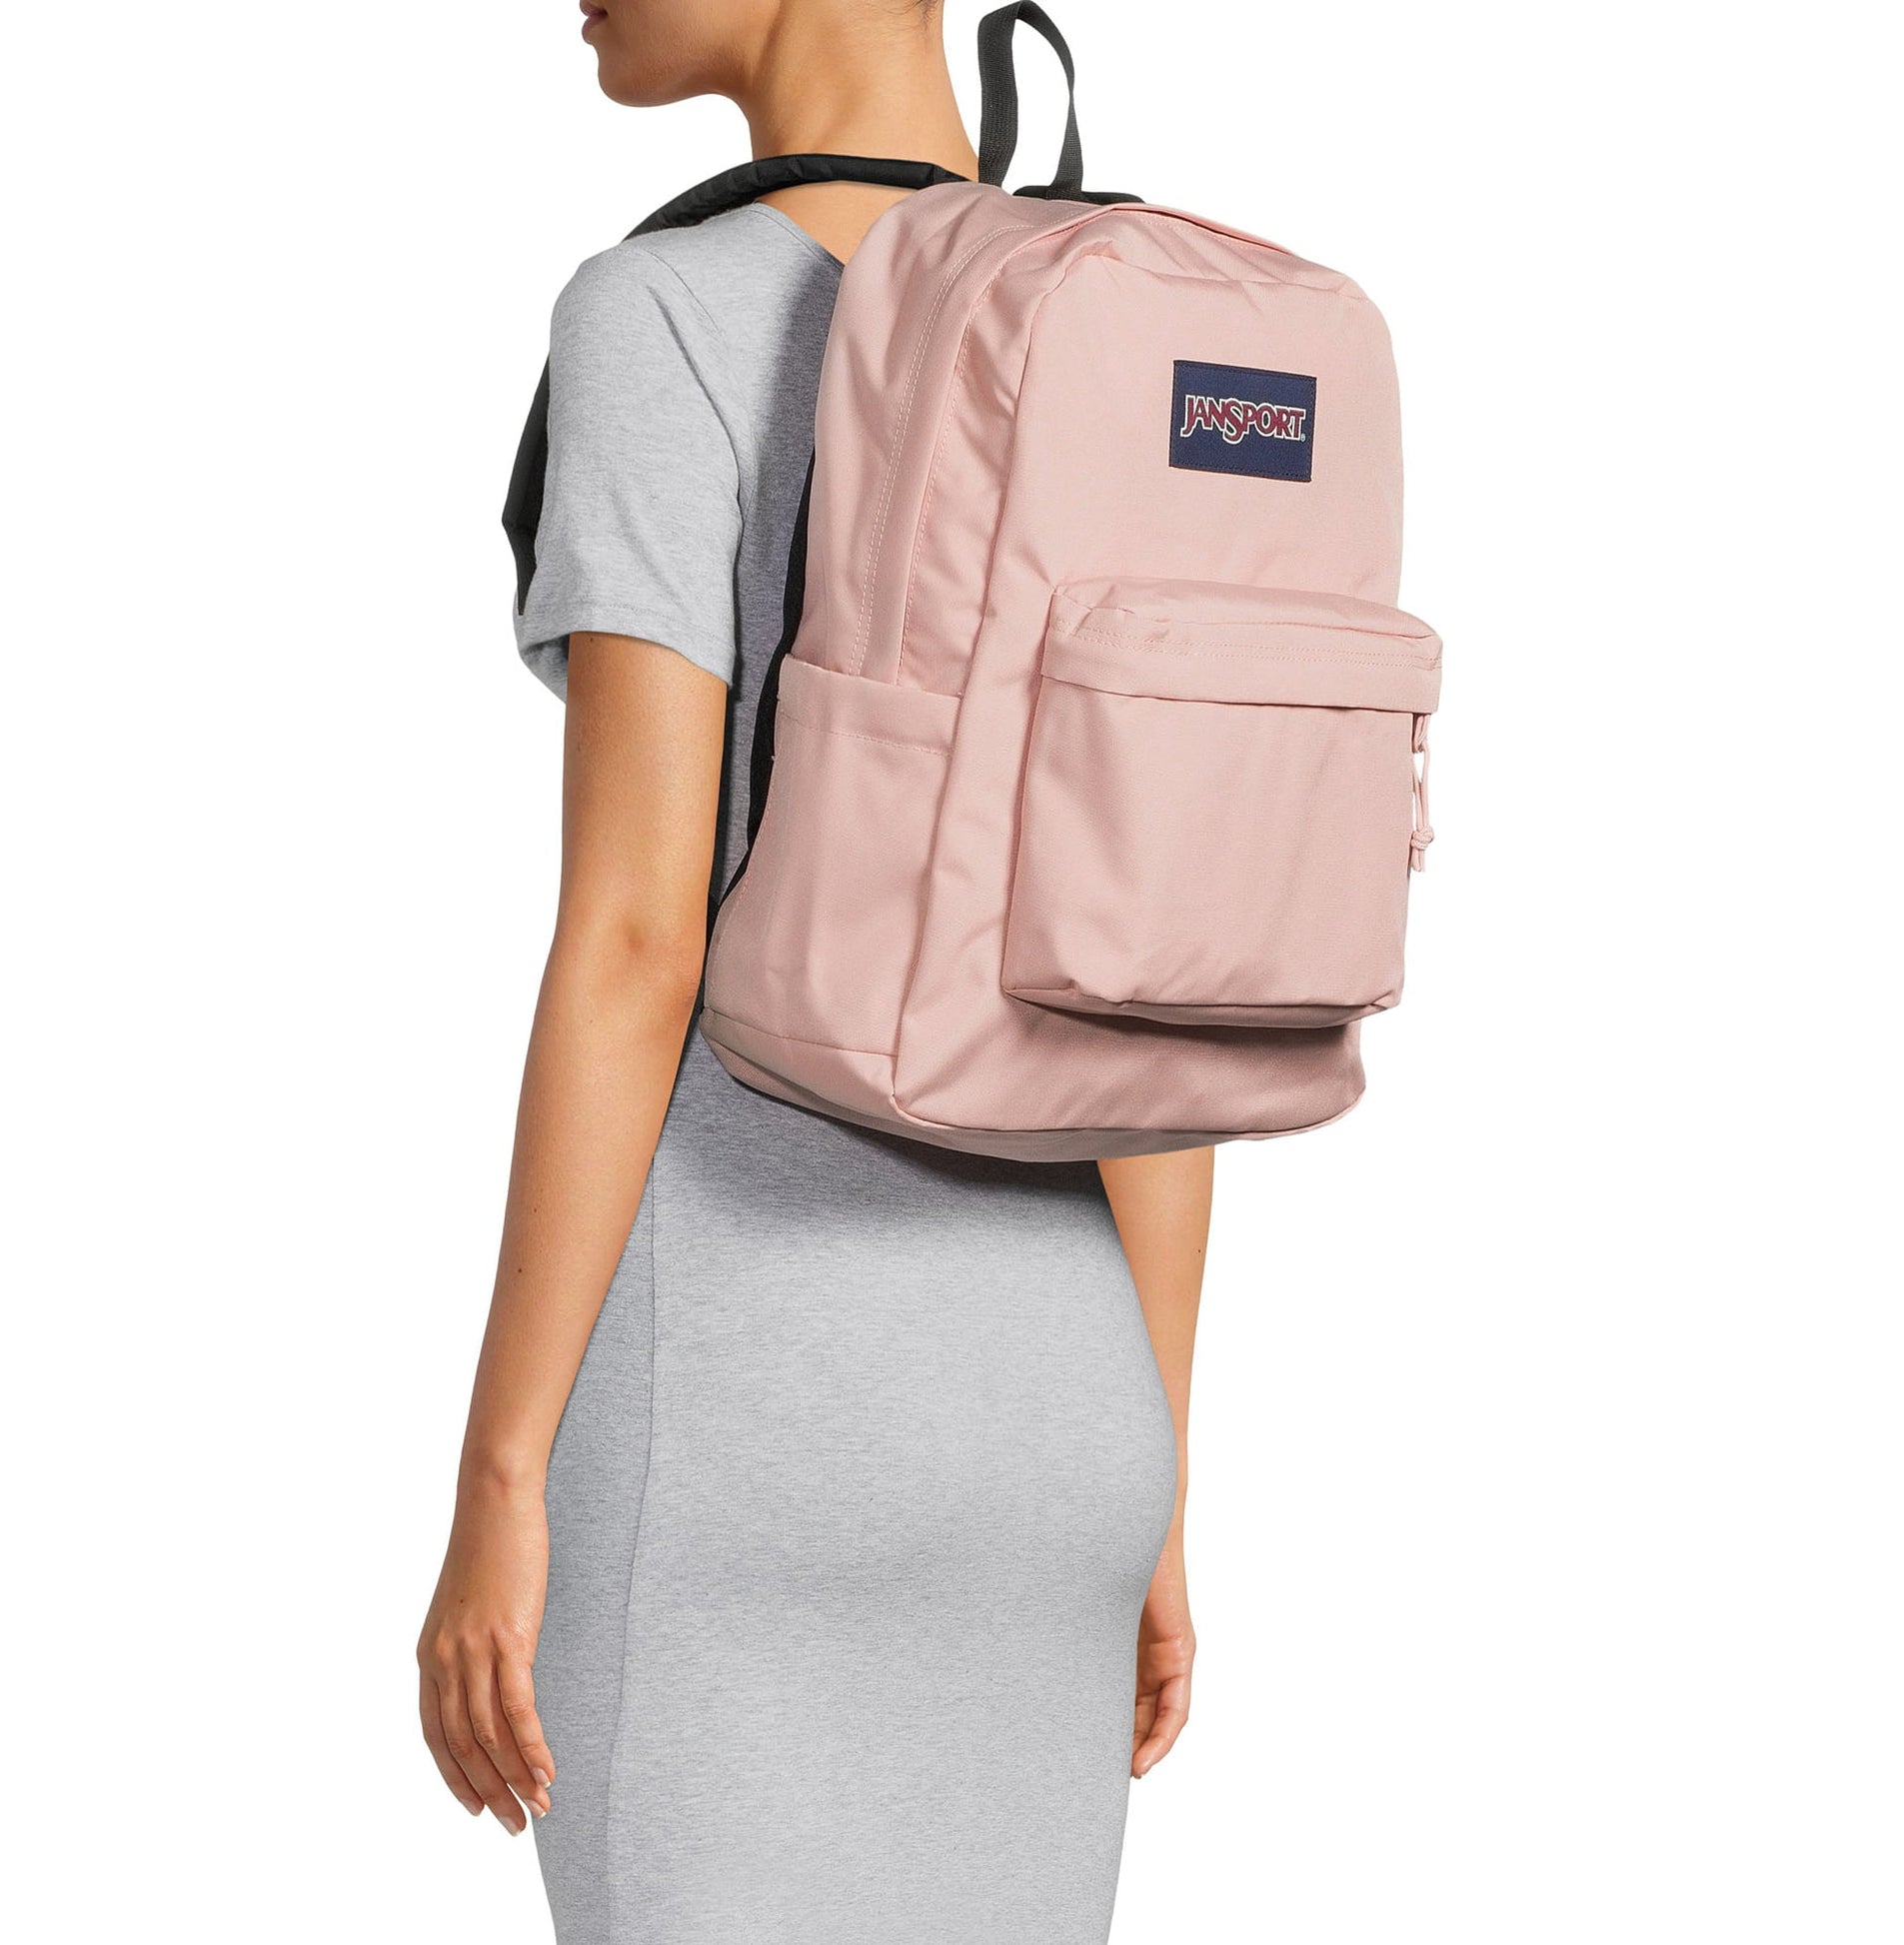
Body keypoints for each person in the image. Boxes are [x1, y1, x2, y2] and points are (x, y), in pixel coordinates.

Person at [418, 3, 1211, 1936]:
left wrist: (502, 1470)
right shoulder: (1133, 331)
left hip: (743, 1422)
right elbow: (1162, 987)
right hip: (1065, 1424)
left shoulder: (665, 314)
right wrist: (1156, 1482)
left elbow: (635, 934)